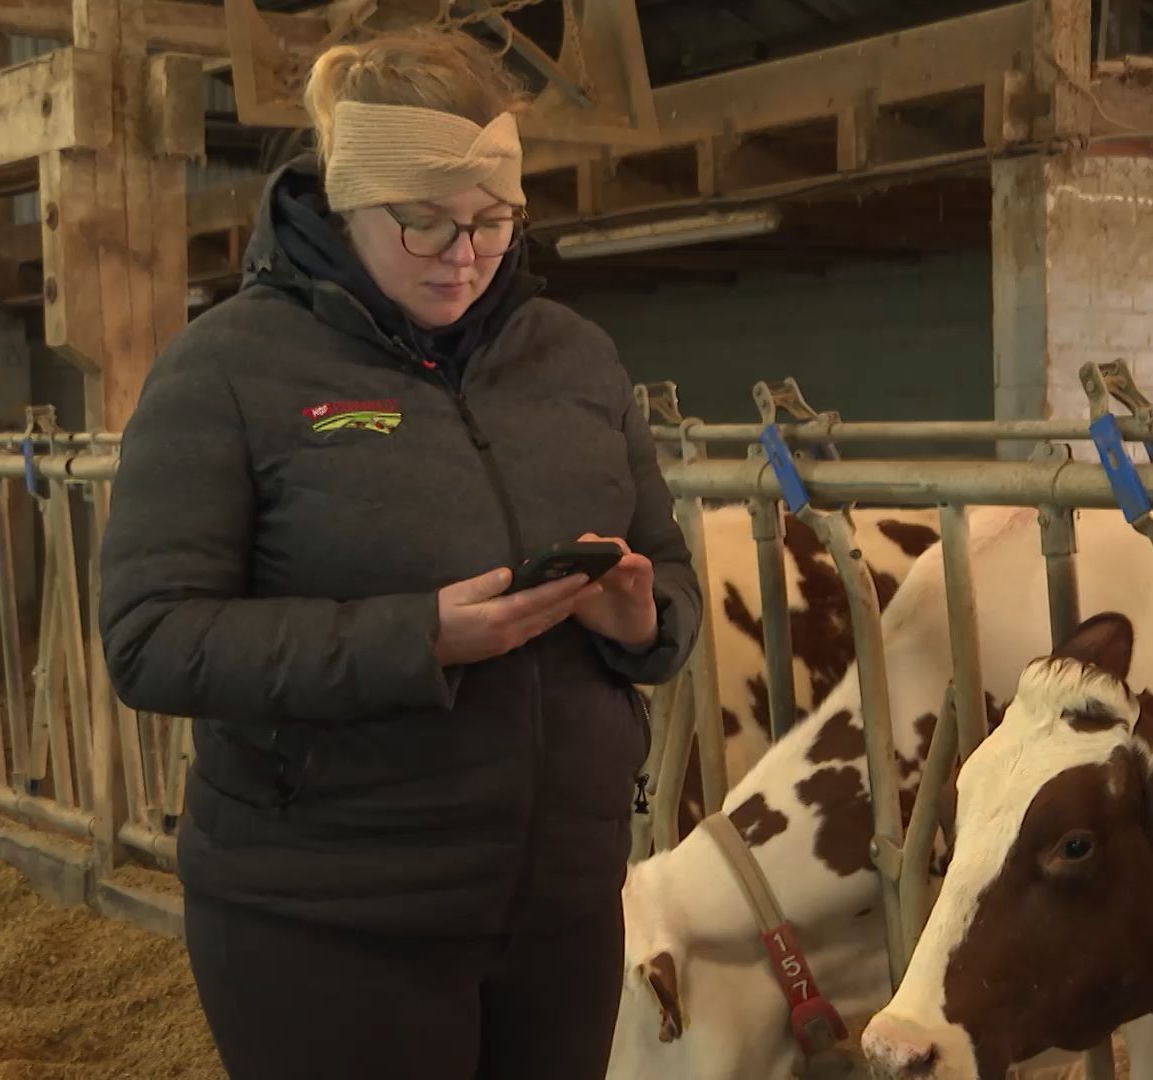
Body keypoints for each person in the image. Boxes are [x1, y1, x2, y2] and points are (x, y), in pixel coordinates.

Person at [95, 25, 702, 1080]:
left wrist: (646, 620)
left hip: (558, 904)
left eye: (492, 221)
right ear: (346, 204)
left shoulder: (576, 359)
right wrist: (416, 638)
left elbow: (669, 571)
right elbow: (152, 639)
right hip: (331, 917)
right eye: (422, 225)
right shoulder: (228, 370)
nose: (464, 256)